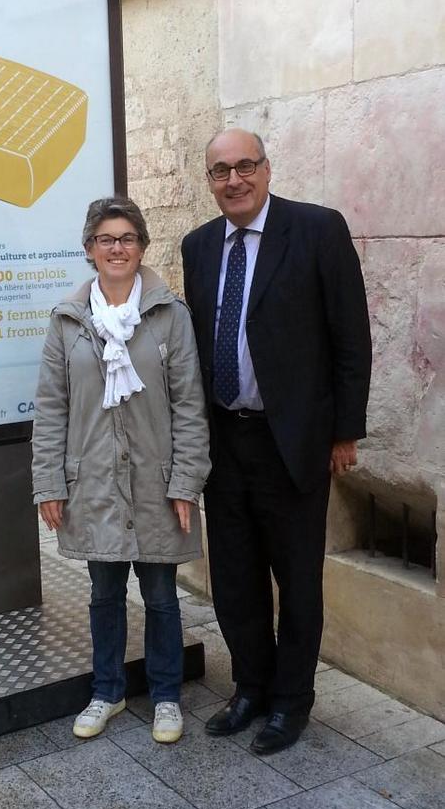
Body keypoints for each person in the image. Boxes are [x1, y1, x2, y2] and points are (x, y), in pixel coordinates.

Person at [181, 128, 372, 755]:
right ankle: (250, 688)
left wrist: (345, 430)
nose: (233, 180)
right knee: (233, 577)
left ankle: (292, 703)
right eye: (220, 171)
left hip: (294, 442)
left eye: (245, 167)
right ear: (208, 180)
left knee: (297, 580)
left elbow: (350, 336)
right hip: (225, 443)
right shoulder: (199, 246)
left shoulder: (317, 230)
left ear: (267, 169)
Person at [33, 196, 211, 744]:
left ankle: (165, 696)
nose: (117, 248)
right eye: (105, 239)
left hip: (156, 482)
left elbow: (188, 403)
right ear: (89, 250)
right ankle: (107, 690)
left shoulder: (169, 315)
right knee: (104, 593)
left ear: (141, 247)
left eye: (127, 238)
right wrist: (49, 483)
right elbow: (51, 407)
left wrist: (186, 481)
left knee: (160, 594)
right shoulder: (67, 321)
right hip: (94, 483)